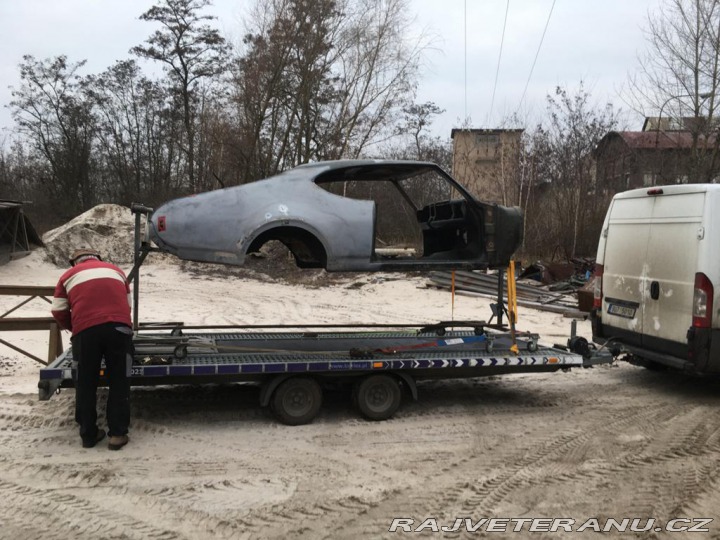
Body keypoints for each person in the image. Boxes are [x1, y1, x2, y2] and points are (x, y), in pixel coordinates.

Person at [51, 248, 133, 450]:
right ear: (98, 258)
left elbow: (58, 310)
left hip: (85, 333)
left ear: (75, 262)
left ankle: (88, 435)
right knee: (119, 381)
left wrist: (76, 327)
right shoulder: (116, 271)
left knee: (85, 383)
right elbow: (127, 304)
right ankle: (117, 435)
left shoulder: (67, 276)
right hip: (119, 329)